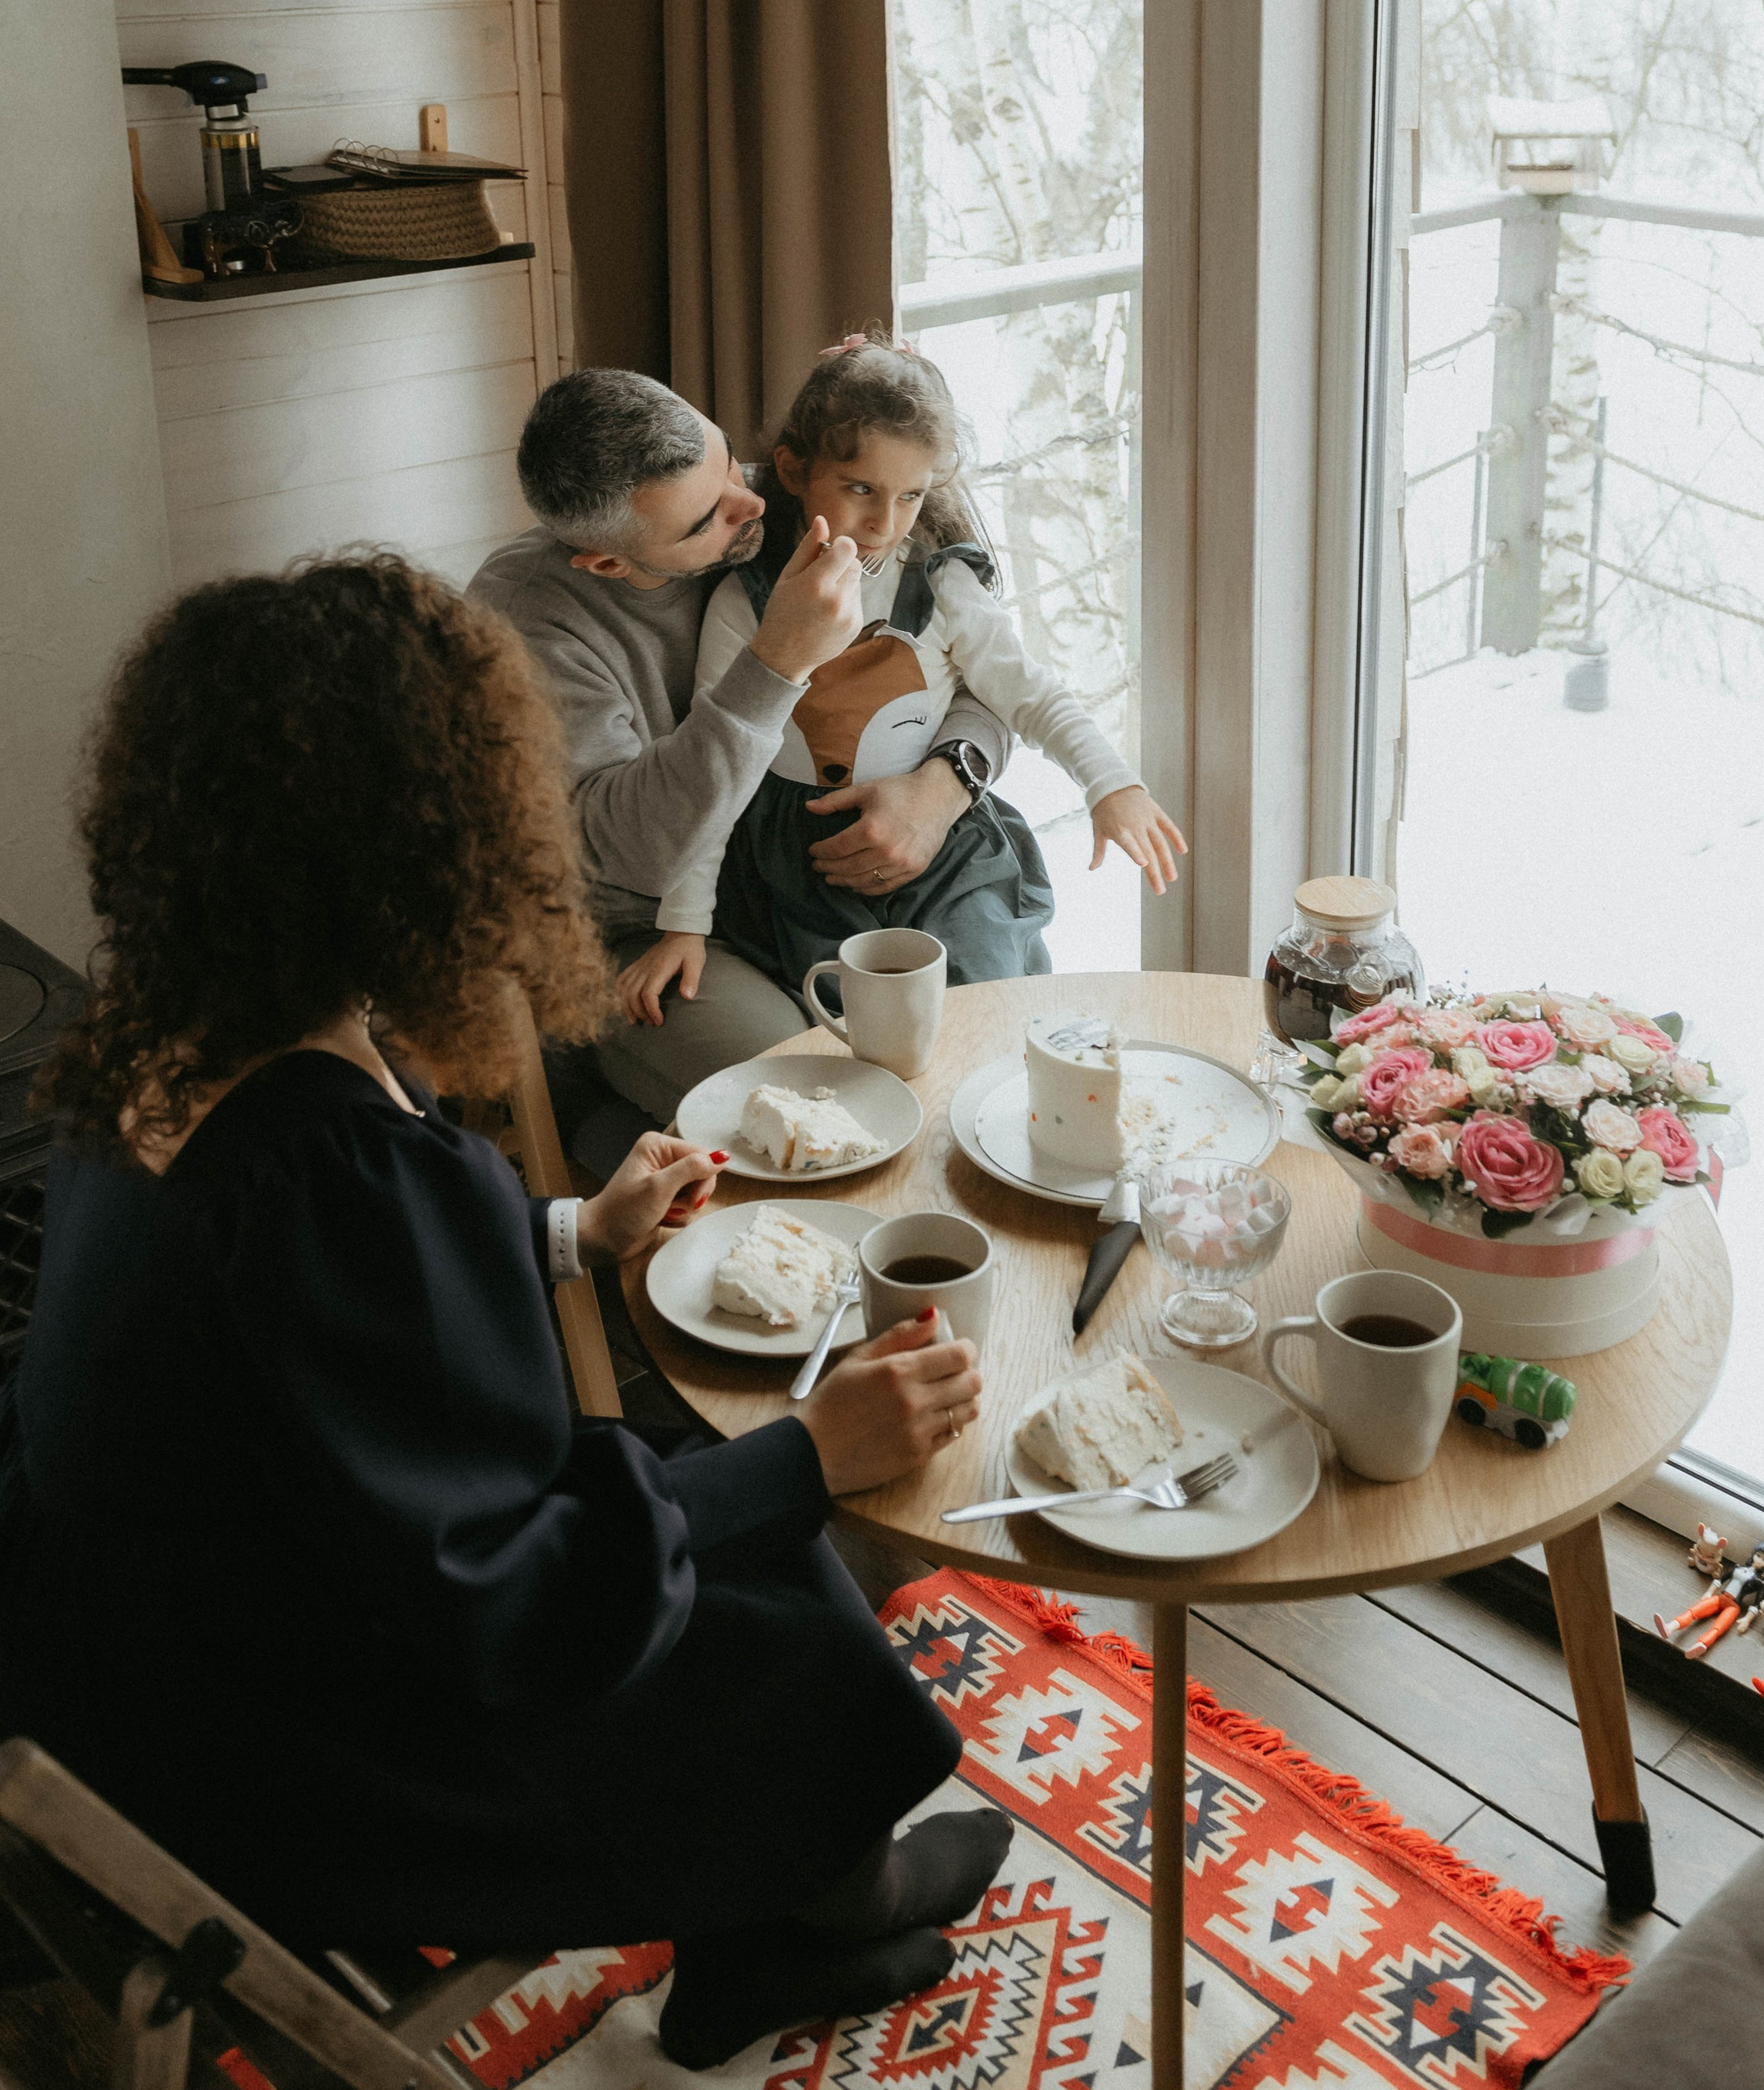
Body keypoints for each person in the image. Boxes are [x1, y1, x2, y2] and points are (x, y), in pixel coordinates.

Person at [0, 556, 1008, 2068]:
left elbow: (311, 1347)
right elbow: (522, 1602)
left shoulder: (151, 1047)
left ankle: (787, 1922)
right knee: (775, 1572)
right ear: (431, 842)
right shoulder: (350, 1172)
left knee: (725, 1522)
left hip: (123, 1667)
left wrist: (558, 1232)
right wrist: (814, 1446)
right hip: (275, 1764)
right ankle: (816, 1901)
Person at [470, 370, 1016, 1143]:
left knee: (974, 1042)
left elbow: (990, 667)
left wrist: (944, 781)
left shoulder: (791, 497)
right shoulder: (527, 625)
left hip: (786, 870)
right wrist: (775, 663)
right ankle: (596, 1119)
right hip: (630, 929)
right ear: (608, 563)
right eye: (706, 518)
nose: (753, 503)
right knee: (822, 1098)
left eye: (729, 461)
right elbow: (633, 854)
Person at [652, 336, 1187, 997]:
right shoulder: (742, 604)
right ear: (794, 471)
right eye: (860, 489)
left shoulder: (942, 583)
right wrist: (683, 926)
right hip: (801, 863)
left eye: (911, 496)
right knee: (854, 1014)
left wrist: (1111, 785)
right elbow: (715, 770)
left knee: (987, 988)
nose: (885, 521)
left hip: (949, 853)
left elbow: (1030, 694)